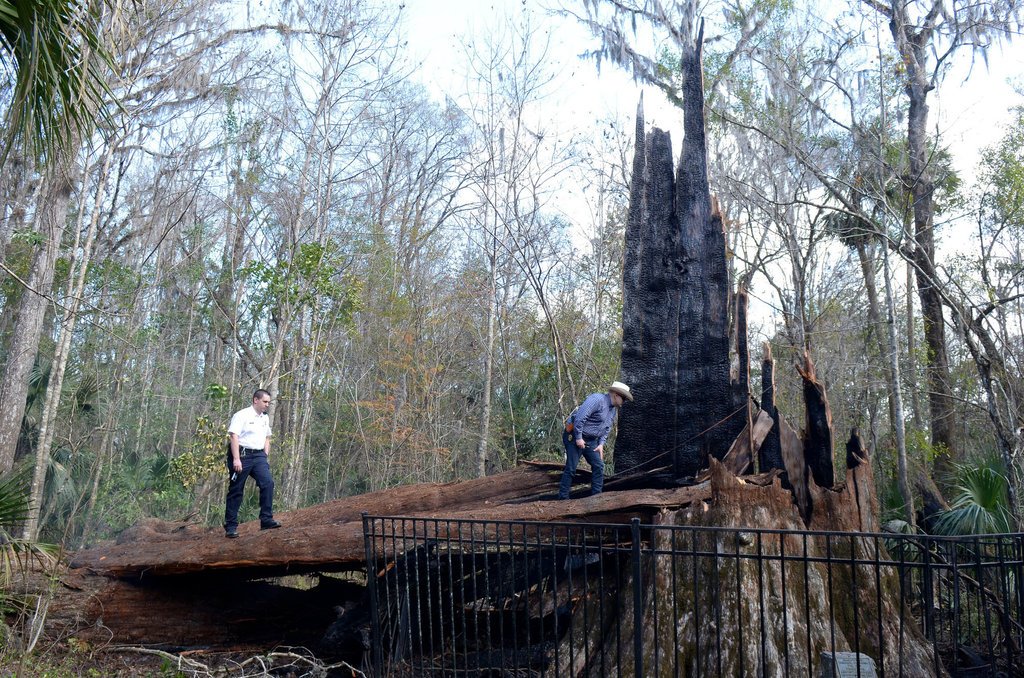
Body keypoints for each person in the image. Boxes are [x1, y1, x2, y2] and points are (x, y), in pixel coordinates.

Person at [558, 381, 633, 500]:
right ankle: (563, 499)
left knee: (598, 465)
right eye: (624, 398)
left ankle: (596, 498)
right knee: (571, 468)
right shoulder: (597, 400)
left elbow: (607, 428)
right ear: (616, 395)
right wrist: (578, 438)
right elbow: (579, 418)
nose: (624, 402)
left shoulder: (613, 409)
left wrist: (601, 444)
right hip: (576, 436)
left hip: (592, 441)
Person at [223, 389, 281, 538]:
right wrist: (236, 459)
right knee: (236, 489)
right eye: (265, 402)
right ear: (256, 400)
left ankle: (266, 519)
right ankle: (231, 526)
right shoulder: (241, 415)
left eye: (268, 402)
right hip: (241, 455)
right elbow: (233, 436)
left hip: (259, 456)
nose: (267, 405)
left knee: (268, 483)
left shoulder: (265, 418)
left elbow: (267, 437)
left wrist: (264, 454)